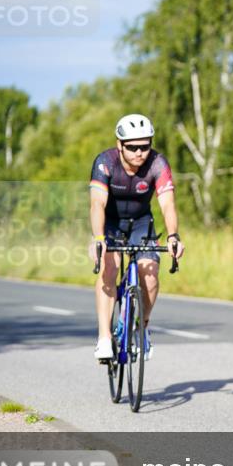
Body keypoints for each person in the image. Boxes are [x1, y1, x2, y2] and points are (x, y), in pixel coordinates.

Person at [88, 114, 184, 361]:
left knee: (150, 275)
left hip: (142, 223)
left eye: (145, 145)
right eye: (132, 147)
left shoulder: (158, 164)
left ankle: (141, 328)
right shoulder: (105, 163)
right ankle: (104, 338)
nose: (139, 153)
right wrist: (98, 237)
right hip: (111, 224)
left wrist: (173, 236)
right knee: (110, 268)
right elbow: (97, 203)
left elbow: (168, 204)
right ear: (119, 145)